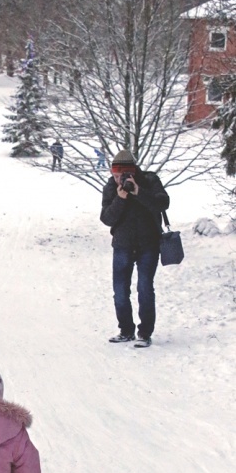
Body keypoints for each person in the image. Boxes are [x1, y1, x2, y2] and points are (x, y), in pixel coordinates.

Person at [100, 149, 169, 348]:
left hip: (149, 244)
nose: (117, 179)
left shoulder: (149, 180)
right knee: (120, 290)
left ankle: (145, 333)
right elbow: (106, 218)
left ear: (133, 172)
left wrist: (139, 192)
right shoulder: (111, 188)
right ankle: (126, 330)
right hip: (122, 245)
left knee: (145, 288)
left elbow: (163, 203)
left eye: (121, 175)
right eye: (114, 175)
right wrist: (120, 198)